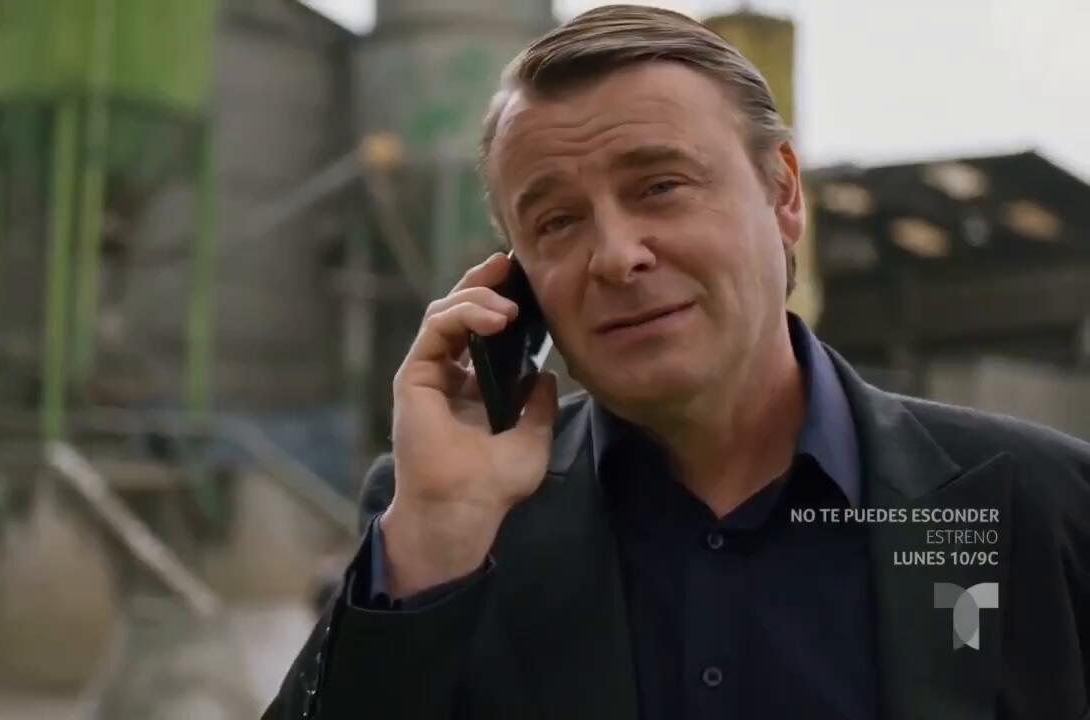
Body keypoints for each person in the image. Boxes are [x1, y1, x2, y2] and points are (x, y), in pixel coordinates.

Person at [263, 5, 1090, 719]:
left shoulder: (1042, 507)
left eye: (660, 186)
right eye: (557, 222)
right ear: (516, 281)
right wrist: (435, 540)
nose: (617, 255)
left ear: (783, 194)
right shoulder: (451, 528)